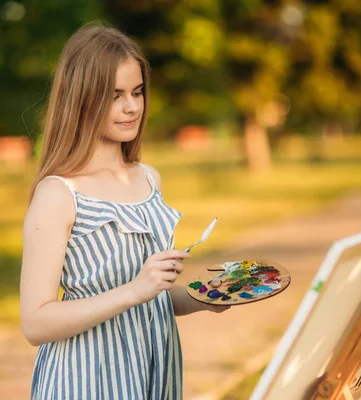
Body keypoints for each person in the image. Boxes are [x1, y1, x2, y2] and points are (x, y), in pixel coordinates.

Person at [20, 21, 227, 400]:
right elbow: (35, 322)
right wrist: (135, 290)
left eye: (137, 91)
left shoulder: (148, 179)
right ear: (81, 99)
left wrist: (208, 297)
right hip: (85, 381)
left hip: (153, 370)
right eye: (114, 96)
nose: (131, 107)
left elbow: (152, 298)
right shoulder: (58, 193)